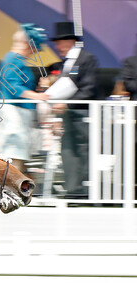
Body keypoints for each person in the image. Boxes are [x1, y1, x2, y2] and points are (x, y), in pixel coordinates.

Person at [46, 21, 98, 199]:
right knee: (68, 149)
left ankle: (82, 189)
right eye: (57, 43)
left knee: (82, 150)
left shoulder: (86, 58)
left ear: (71, 41)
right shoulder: (66, 63)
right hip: (70, 114)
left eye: (60, 42)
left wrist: (67, 104)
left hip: (83, 113)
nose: (57, 46)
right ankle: (72, 188)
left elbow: (89, 88)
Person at [0, 24, 50, 176]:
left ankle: (16, 185)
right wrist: (36, 96)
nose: (35, 53)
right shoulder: (13, 59)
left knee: (18, 151)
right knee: (13, 151)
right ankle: (9, 186)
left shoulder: (17, 60)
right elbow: (13, 86)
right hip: (13, 111)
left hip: (19, 111)